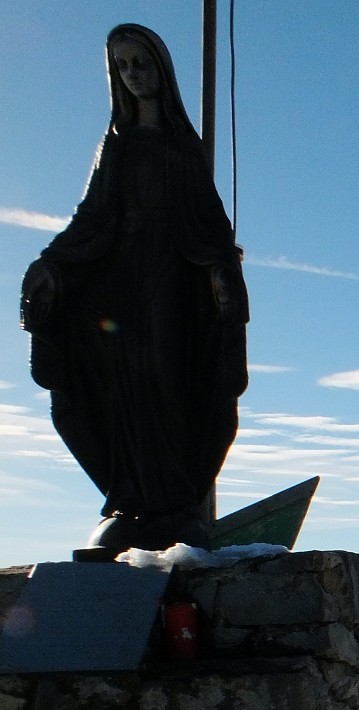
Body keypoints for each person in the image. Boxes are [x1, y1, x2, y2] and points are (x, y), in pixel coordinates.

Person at [20, 23, 249, 552]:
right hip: (117, 287)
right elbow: (92, 216)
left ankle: (174, 502)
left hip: (170, 286)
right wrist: (53, 264)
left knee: (171, 382)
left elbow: (210, 223)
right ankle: (130, 499)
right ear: (115, 77)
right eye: (123, 67)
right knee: (119, 391)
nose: (134, 74)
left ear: (161, 69)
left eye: (141, 63)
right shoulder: (115, 146)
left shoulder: (181, 147)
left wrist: (219, 268)